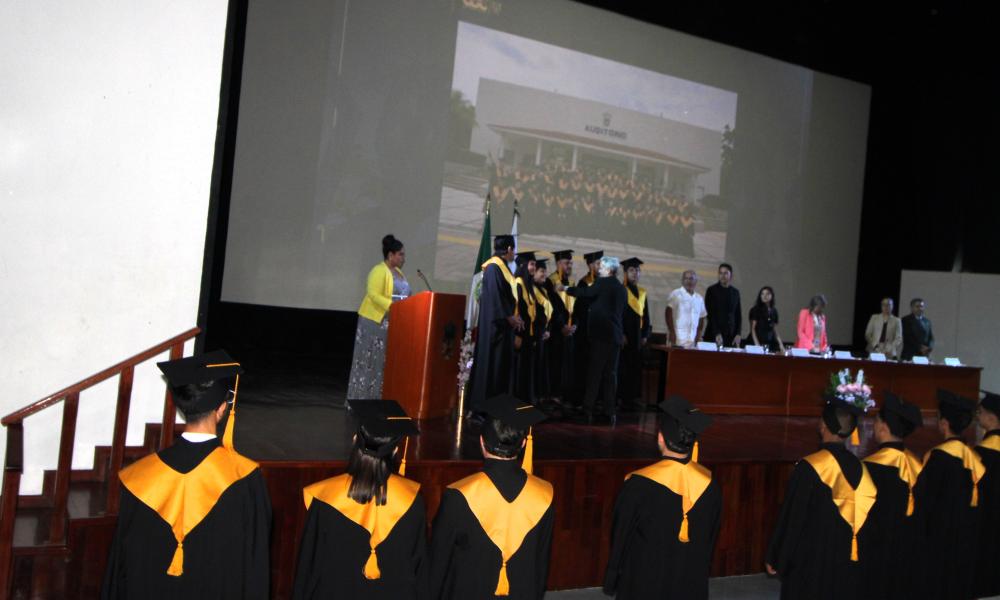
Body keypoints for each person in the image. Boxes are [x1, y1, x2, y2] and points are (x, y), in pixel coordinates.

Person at [102, 351, 271, 599]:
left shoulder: (138, 478)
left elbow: (120, 567)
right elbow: (254, 566)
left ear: (179, 405)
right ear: (223, 408)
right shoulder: (245, 479)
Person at [293, 400, 427, 600]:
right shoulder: (412, 501)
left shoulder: (326, 499)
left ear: (355, 439)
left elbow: (309, 569)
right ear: (395, 451)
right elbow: (418, 569)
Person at [430, 395, 554, 600]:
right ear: (523, 443)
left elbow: (438, 563)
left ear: (481, 442)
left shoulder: (459, 495)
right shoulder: (544, 494)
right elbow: (541, 564)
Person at [603, 395, 721, 599]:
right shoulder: (710, 486)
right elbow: (711, 537)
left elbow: (620, 535)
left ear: (660, 437)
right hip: (689, 580)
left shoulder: (638, 485)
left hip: (644, 580)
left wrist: (613, 575)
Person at [766, 394, 877, 599]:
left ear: (823, 425)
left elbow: (793, 518)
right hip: (848, 563)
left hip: (811, 563)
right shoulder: (863, 470)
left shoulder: (810, 468)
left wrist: (777, 556)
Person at [911, 390, 984, 600]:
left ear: (944, 423)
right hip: (967, 539)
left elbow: (924, 502)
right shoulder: (976, 459)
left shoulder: (938, 457)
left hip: (939, 538)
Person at [860, 392, 923, 600]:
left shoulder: (871, 466)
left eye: (876, 421)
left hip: (876, 546)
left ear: (883, 427)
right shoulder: (917, 464)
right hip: (909, 547)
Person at [347, 234, 411, 399]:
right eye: (401, 254)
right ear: (390, 255)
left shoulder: (398, 273)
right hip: (374, 322)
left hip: (390, 323)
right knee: (369, 362)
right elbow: (373, 294)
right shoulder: (378, 270)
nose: (404, 258)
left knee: (382, 362)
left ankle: (377, 397)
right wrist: (393, 306)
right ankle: (361, 398)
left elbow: (404, 294)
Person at [566, 256, 627, 425]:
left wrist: (565, 288)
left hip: (601, 337)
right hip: (614, 337)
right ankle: (609, 412)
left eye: (601, 267)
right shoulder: (622, 288)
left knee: (594, 374)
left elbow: (585, 293)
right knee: (610, 375)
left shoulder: (602, 283)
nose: (598, 269)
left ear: (609, 270)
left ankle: (587, 410)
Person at [469, 234, 523, 413]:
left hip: (502, 328)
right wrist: (509, 317)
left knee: (499, 369)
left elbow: (507, 297)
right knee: (490, 368)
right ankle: (482, 409)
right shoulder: (493, 267)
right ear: (508, 249)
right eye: (513, 249)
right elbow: (494, 298)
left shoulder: (503, 268)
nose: (514, 253)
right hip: (493, 329)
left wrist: (514, 316)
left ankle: (496, 407)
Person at [974, 391, 1000, 598]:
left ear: (992, 417)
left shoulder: (983, 453)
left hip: (986, 517)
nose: (977, 416)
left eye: (981, 412)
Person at [617, 257, 651, 409]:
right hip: (624, 336)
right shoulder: (620, 290)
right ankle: (620, 396)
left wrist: (645, 335)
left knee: (635, 367)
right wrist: (621, 333)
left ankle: (633, 397)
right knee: (622, 366)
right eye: (631, 270)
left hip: (638, 337)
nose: (635, 273)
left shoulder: (642, 292)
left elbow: (646, 316)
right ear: (625, 273)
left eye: (637, 270)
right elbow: (617, 315)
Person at [571, 250, 604, 407]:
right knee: (584, 367)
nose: (601, 266)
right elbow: (580, 309)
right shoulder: (584, 283)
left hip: (600, 333)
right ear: (590, 265)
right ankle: (582, 399)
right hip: (585, 333)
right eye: (598, 263)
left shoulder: (604, 282)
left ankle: (596, 398)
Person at [545, 250, 577, 406]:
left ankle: (564, 394)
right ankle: (553, 394)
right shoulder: (550, 281)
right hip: (556, 332)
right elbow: (552, 308)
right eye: (566, 263)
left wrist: (574, 324)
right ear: (558, 264)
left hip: (569, 332)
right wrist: (562, 326)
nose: (569, 265)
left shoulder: (571, 283)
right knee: (555, 363)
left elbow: (576, 307)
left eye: (570, 263)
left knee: (567, 364)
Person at [512, 252, 539, 404]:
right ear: (522, 266)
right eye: (532, 264)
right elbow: (516, 311)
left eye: (534, 264)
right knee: (519, 371)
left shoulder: (528, 285)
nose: (534, 267)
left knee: (527, 371)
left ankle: (525, 403)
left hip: (528, 336)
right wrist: (517, 334)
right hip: (520, 336)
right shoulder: (518, 284)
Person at [703, 263, 742, 347]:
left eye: (725, 273)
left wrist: (738, 333)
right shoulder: (712, 290)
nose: (722, 276)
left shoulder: (735, 292)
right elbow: (710, 314)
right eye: (720, 273)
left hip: (730, 336)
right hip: (713, 334)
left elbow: (738, 314)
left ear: (731, 275)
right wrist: (717, 333)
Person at [531, 259, 553, 406]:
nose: (544, 274)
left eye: (545, 271)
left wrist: (548, 330)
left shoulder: (544, 290)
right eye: (541, 271)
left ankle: (539, 397)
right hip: (534, 336)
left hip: (543, 335)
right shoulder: (531, 290)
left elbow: (548, 313)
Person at [665, 270, 707, 349]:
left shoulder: (699, 298)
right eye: (686, 278)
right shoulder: (675, 294)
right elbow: (668, 314)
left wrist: (699, 335)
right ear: (682, 281)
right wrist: (672, 332)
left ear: (696, 281)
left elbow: (701, 318)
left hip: (692, 341)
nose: (688, 281)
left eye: (691, 279)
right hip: (677, 339)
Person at [747, 286, 784, 352]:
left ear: (772, 296)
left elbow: (775, 329)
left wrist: (781, 345)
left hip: (770, 342)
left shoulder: (774, 311)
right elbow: (753, 329)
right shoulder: (755, 310)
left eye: (767, 294)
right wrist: (757, 345)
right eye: (762, 294)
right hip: (756, 340)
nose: (764, 296)